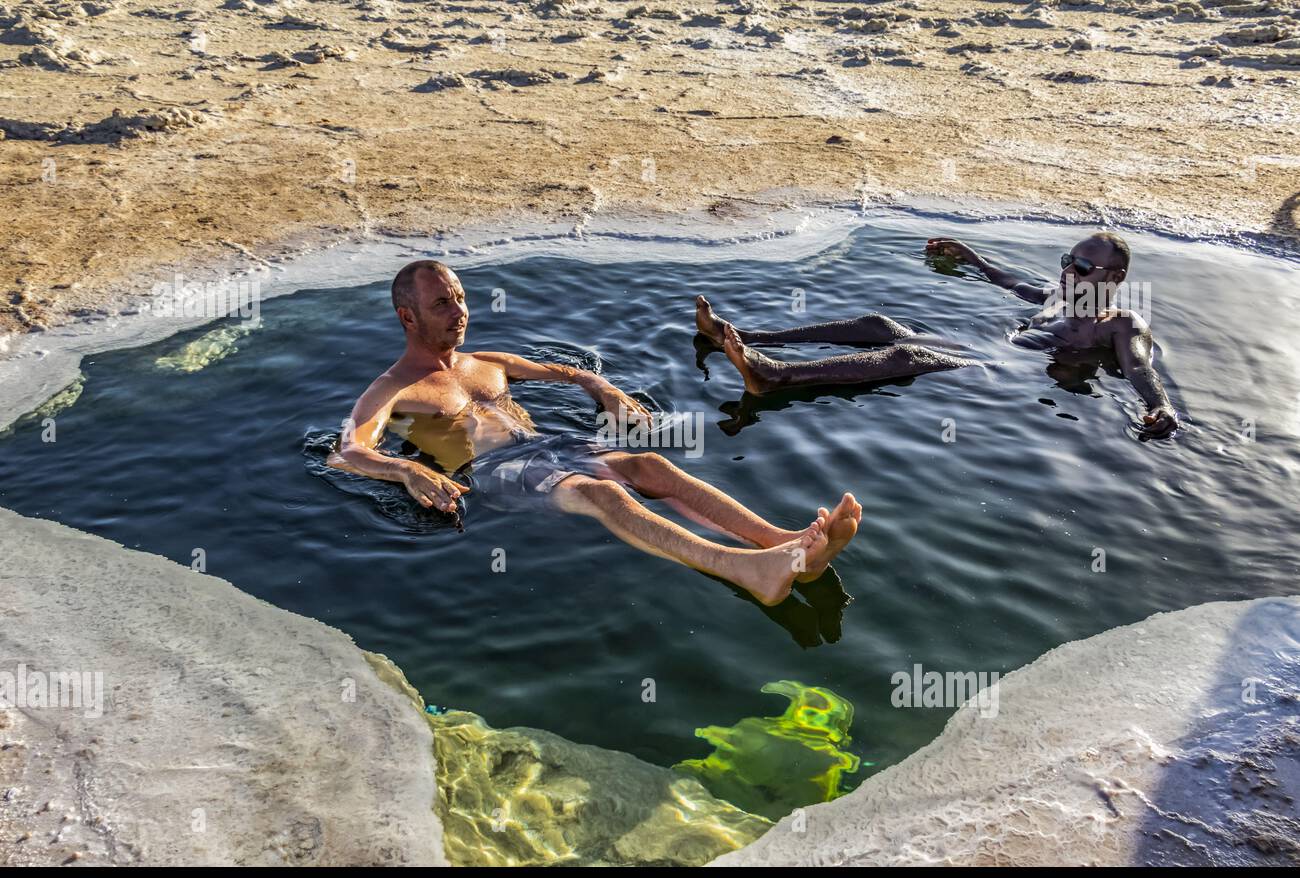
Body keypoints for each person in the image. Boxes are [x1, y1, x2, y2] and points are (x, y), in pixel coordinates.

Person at [327, 260, 861, 606]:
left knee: (653, 466)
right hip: (492, 472)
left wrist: (599, 386)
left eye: (461, 296)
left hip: (546, 447)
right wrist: (403, 467)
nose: (460, 311)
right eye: (441, 303)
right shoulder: (394, 387)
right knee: (604, 493)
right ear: (408, 316)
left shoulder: (486, 362)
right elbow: (347, 451)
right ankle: (748, 570)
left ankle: (788, 547)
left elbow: (564, 371)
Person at [695, 231, 1178, 439]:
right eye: (1068, 260)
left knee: (906, 351)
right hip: (995, 347)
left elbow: (1138, 367)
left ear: (1112, 278)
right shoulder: (1057, 296)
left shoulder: (1119, 323)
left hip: (1010, 370)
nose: (1070, 270)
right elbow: (1008, 280)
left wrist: (1160, 405)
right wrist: (969, 255)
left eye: (1083, 266)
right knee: (878, 325)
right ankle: (747, 335)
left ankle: (773, 376)